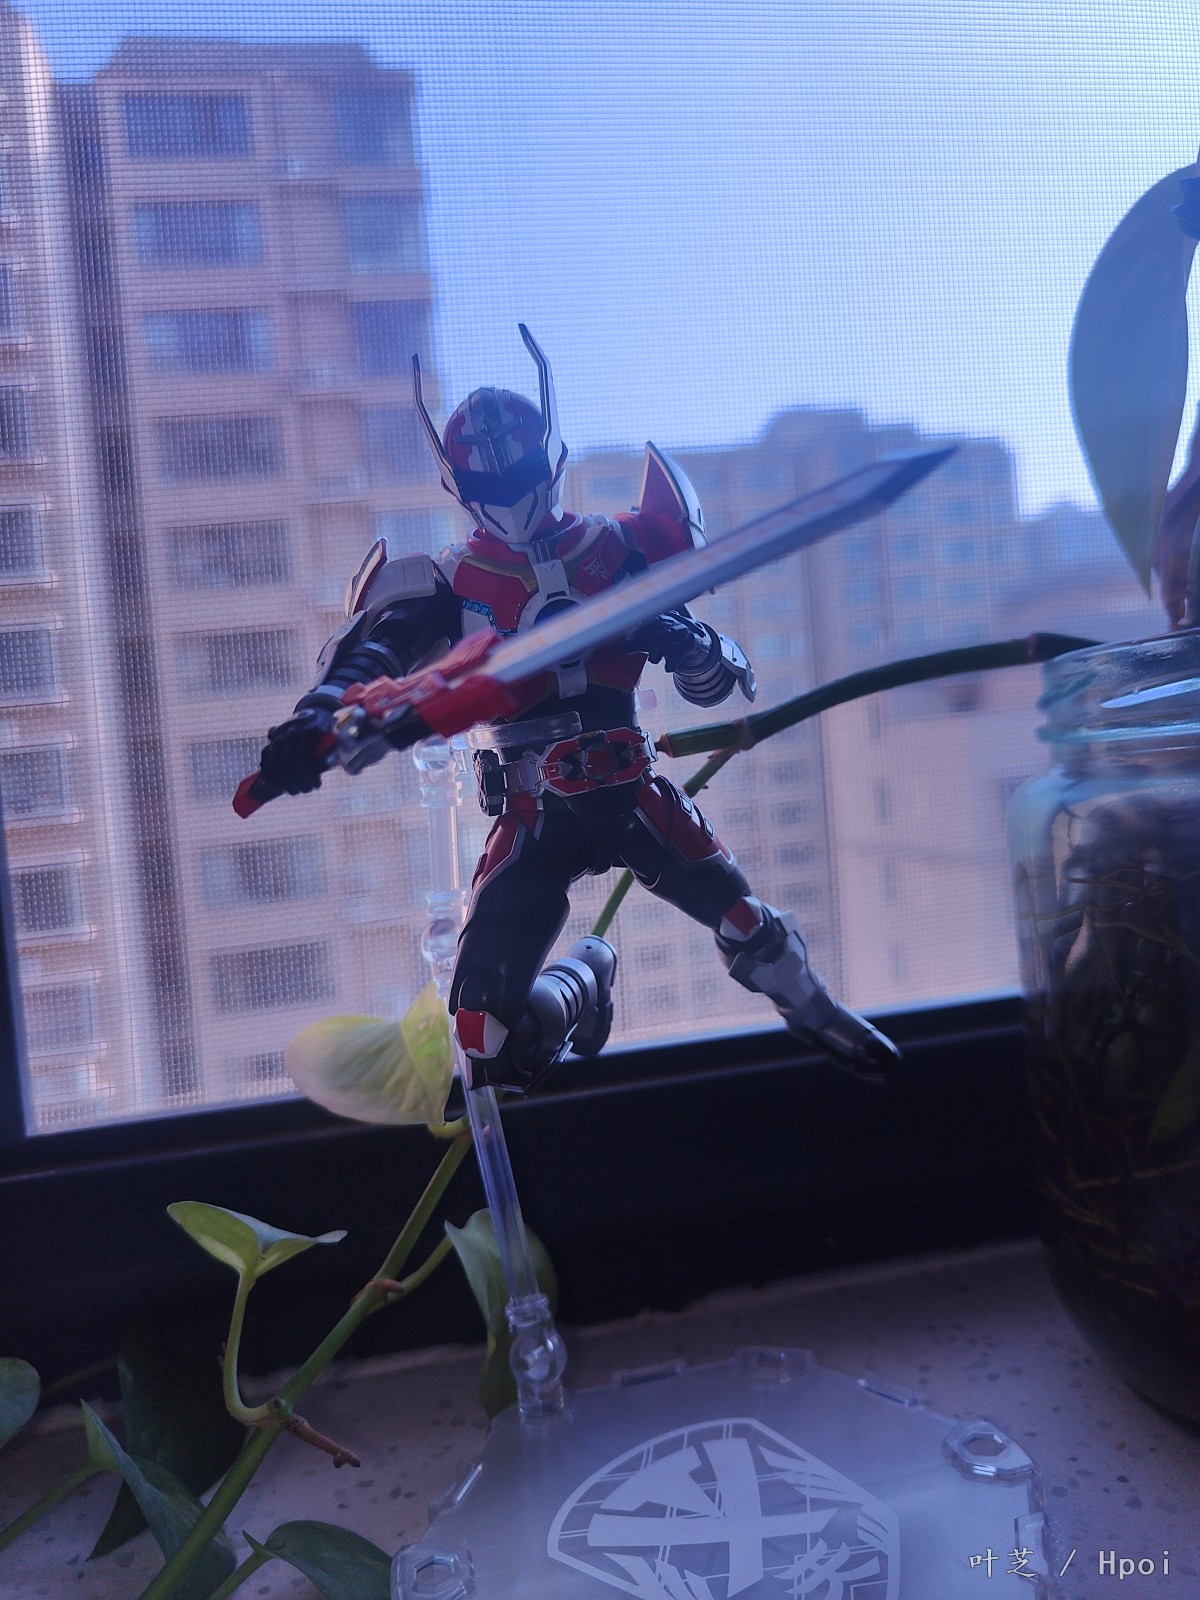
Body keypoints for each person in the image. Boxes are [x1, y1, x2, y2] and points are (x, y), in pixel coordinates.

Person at [253, 326, 900, 1092]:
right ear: (457, 483)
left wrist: (687, 644)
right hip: (535, 813)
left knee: (747, 925)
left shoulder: (617, 550)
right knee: (484, 1036)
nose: (509, 495)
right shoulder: (450, 583)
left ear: (551, 457)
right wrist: (320, 715)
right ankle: (586, 979)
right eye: (489, 481)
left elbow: (716, 676)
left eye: (521, 472)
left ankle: (818, 1012)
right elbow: (377, 656)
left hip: (631, 791)